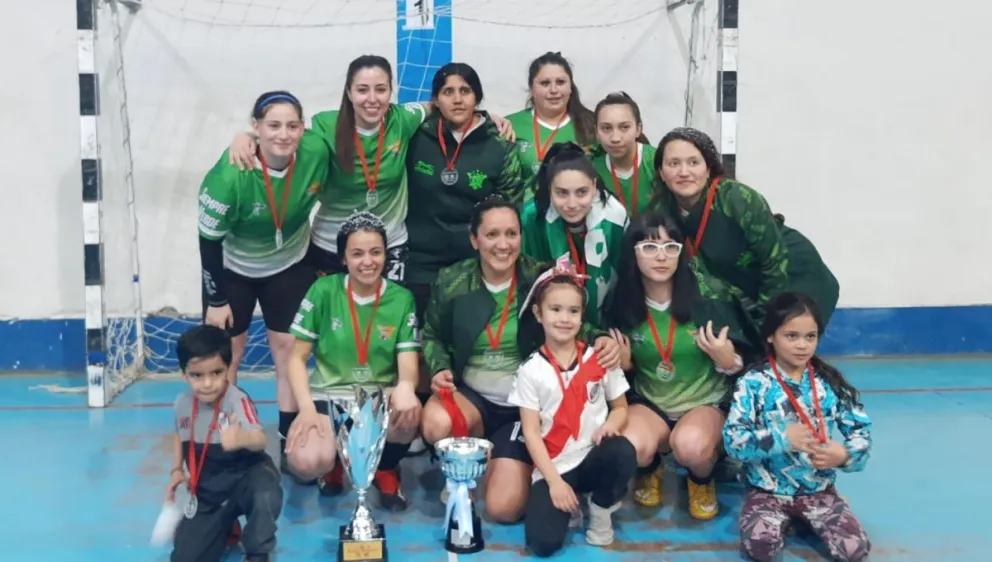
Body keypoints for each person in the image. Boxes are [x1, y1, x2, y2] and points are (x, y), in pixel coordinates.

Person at [419, 196, 621, 523]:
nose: (503, 244)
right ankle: (465, 473)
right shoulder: (452, 280)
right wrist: (440, 366)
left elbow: (576, 317)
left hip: (527, 406)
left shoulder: (539, 277)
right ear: (474, 239)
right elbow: (431, 333)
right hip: (474, 398)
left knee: (503, 509)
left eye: (511, 234)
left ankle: (518, 468)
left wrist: (601, 339)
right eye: (492, 235)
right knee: (435, 421)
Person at [228, 56, 516, 283]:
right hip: (331, 247)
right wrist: (247, 136)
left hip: (390, 247)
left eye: (381, 89)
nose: (372, 98)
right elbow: (284, 133)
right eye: (362, 89)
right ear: (349, 92)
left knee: (389, 329)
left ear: (391, 91)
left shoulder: (403, 118)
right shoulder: (324, 125)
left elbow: (443, 105)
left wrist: (485, 115)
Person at [197, 90, 327, 478]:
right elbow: (208, 241)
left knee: (289, 354)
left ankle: (290, 438)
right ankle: (227, 439)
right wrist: (217, 298)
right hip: (232, 270)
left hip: (287, 266)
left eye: (292, 126)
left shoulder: (316, 151)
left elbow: (344, 125)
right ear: (255, 128)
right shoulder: (230, 176)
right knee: (228, 357)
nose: (283, 135)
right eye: (272, 126)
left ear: (303, 128)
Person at [652, 127, 840, 354]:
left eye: (693, 162)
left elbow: (774, 261)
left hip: (795, 272)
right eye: (673, 164)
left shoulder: (737, 198)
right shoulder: (661, 211)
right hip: (748, 280)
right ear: (661, 172)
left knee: (786, 347)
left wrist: (768, 321)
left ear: (709, 167)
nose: (684, 172)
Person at [607, 212, 743, 520]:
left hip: (703, 403)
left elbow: (745, 361)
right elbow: (615, 375)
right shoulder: (621, 304)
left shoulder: (708, 297)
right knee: (632, 446)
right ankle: (651, 466)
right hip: (651, 404)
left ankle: (700, 479)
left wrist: (729, 361)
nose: (661, 257)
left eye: (671, 247)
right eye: (650, 247)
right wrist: (625, 366)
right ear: (633, 252)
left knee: (692, 447)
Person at [283, 211, 422, 511]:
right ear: (344, 259)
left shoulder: (401, 298)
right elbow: (296, 358)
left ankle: (385, 468)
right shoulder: (323, 290)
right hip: (328, 395)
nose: (367, 261)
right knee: (306, 461)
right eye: (357, 253)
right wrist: (306, 408)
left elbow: (408, 359)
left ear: (386, 254)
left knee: (410, 410)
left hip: (376, 396)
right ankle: (332, 463)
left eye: (376, 252)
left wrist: (407, 385)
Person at [724, 292, 872, 562]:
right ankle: (784, 519)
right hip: (766, 492)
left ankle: (813, 515)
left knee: (853, 551)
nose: (802, 345)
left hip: (818, 491)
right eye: (791, 336)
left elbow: (861, 432)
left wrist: (845, 455)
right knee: (761, 548)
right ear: (771, 336)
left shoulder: (830, 384)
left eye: (810, 336)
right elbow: (733, 442)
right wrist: (781, 437)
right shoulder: (753, 383)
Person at [508, 262, 637, 557]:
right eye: (555, 310)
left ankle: (601, 505)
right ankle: (569, 500)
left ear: (582, 317)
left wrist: (612, 424)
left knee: (622, 450)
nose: (564, 319)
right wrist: (553, 482)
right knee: (542, 544)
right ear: (539, 314)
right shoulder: (530, 370)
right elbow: (530, 432)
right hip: (555, 467)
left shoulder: (600, 359)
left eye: (573, 311)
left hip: (592, 456)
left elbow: (620, 406)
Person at [405, 62, 526, 318]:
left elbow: (511, 207)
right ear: (435, 100)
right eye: (448, 92)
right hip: (421, 263)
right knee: (423, 346)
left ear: (477, 98)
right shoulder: (415, 135)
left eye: (465, 91)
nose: (457, 100)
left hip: (476, 264)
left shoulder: (500, 144)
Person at [166, 324, 283, 562]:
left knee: (264, 493)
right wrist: (177, 469)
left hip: (246, 476)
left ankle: (258, 551)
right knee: (185, 557)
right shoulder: (182, 404)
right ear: (183, 374)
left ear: (228, 369)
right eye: (197, 375)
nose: (208, 384)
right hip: (209, 486)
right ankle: (226, 528)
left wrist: (243, 438)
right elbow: (179, 434)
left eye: (216, 373)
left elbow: (260, 440)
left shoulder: (237, 401)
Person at [520, 142, 629, 326]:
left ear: (594, 186)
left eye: (581, 192)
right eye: (562, 193)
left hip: (606, 319)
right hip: (550, 320)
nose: (572, 204)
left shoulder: (614, 217)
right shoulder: (533, 216)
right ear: (549, 189)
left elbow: (624, 279)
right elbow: (526, 271)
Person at [505, 52, 597, 189]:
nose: (553, 90)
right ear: (531, 89)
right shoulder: (510, 125)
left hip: (576, 207)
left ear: (570, 87)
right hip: (526, 209)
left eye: (560, 82)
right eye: (545, 83)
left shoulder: (592, 124)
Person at [590, 92, 658, 218]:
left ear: (638, 129)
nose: (615, 138)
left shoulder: (657, 161)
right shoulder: (592, 170)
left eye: (624, 127)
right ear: (596, 132)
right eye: (606, 128)